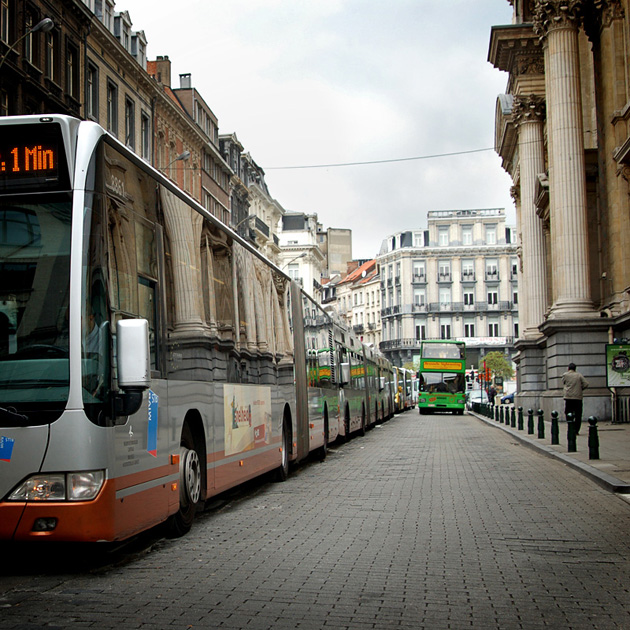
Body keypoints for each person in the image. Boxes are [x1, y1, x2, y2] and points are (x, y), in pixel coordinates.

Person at [562, 363, 588, 435]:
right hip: (578, 397)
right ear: (575, 369)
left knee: (568, 412)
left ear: (568, 368)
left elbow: (563, 382)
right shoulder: (579, 375)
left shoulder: (565, 375)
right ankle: (576, 430)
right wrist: (580, 389)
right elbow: (586, 384)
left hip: (568, 397)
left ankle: (570, 426)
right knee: (578, 414)